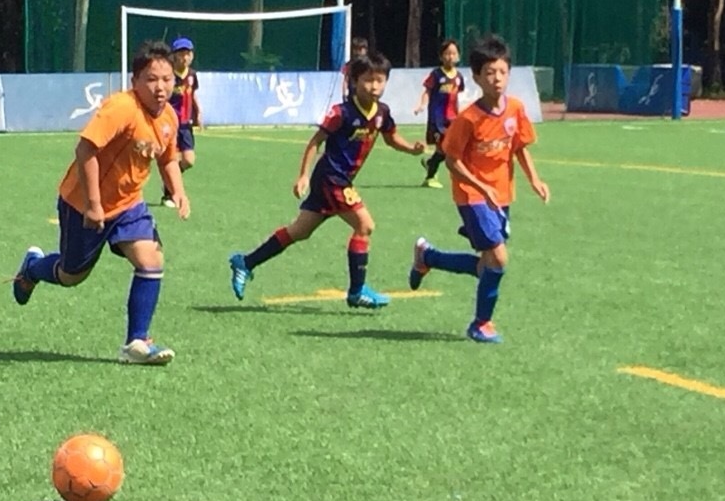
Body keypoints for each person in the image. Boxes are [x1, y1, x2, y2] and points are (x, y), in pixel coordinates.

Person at [13, 40, 189, 365]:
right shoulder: (122, 108)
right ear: (135, 82)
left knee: (151, 261)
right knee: (71, 275)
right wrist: (94, 205)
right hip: (82, 204)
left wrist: (177, 190)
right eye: (152, 79)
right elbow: (85, 151)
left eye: (167, 79)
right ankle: (32, 269)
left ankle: (136, 342)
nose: (161, 87)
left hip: (129, 205)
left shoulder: (169, 117)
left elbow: (167, 158)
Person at [229, 51, 425, 309]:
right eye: (368, 80)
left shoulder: (382, 112)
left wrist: (411, 149)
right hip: (332, 179)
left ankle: (246, 262)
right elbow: (315, 143)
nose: (374, 86)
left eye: (380, 80)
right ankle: (357, 291)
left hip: (338, 181)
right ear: (355, 80)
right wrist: (303, 176)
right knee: (365, 225)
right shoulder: (341, 113)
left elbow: (391, 137)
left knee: (299, 231)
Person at [409, 34, 548, 343]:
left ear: (509, 73)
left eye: (501, 72)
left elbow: (520, 147)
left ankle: (428, 257)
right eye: (489, 73)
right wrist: (480, 185)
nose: (496, 79)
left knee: (486, 264)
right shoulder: (468, 119)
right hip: (471, 195)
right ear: (476, 77)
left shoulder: (515, 109)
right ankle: (480, 324)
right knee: (498, 259)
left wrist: (534, 180)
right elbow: (452, 161)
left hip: (501, 194)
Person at [413, 39, 464, 188]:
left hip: (453, 118)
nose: (450, 56)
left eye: (453, 53)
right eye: (447, 53)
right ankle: (429, 178)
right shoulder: (436, 74)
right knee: (443, 148)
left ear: (458, 56)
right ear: (441, 56)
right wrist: (421, 105)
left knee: (448, 148)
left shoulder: (459, 77)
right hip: (437, 119)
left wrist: (460, 114)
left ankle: (430, 163)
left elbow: (456, 97)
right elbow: (427, 91)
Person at [162, 36, 201, 208]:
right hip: (171, 124)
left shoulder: (192, 75)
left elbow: (192, 94)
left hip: (186, 124)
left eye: (188, 54)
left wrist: (198, 111)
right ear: (175, 56)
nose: (185, 57)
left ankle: (169, 178)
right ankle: (169, 194)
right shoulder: (168, 75)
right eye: (182, 54)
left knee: (189, 160)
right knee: (171, 157)